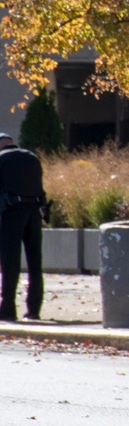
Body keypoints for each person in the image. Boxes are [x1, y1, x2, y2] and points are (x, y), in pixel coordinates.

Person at [0, 132, 48, 323]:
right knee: (35, 261)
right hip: (34, 213)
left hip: (11, 213)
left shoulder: (2, 159)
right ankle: (34, 309)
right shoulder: (32, 158)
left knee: (10, 262)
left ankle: (8, 310)